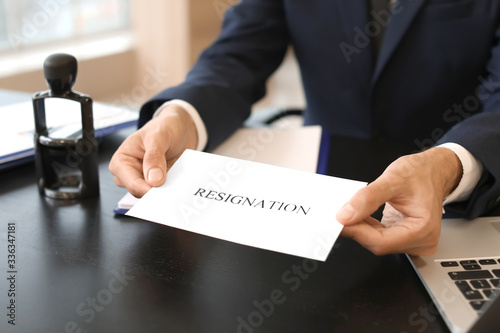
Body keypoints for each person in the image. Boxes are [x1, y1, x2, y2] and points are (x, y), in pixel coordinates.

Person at [109, 0, 500, 256]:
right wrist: (183, 114)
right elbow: (241, 51)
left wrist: (449, 165)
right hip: (314, 202)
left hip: (459, 203)